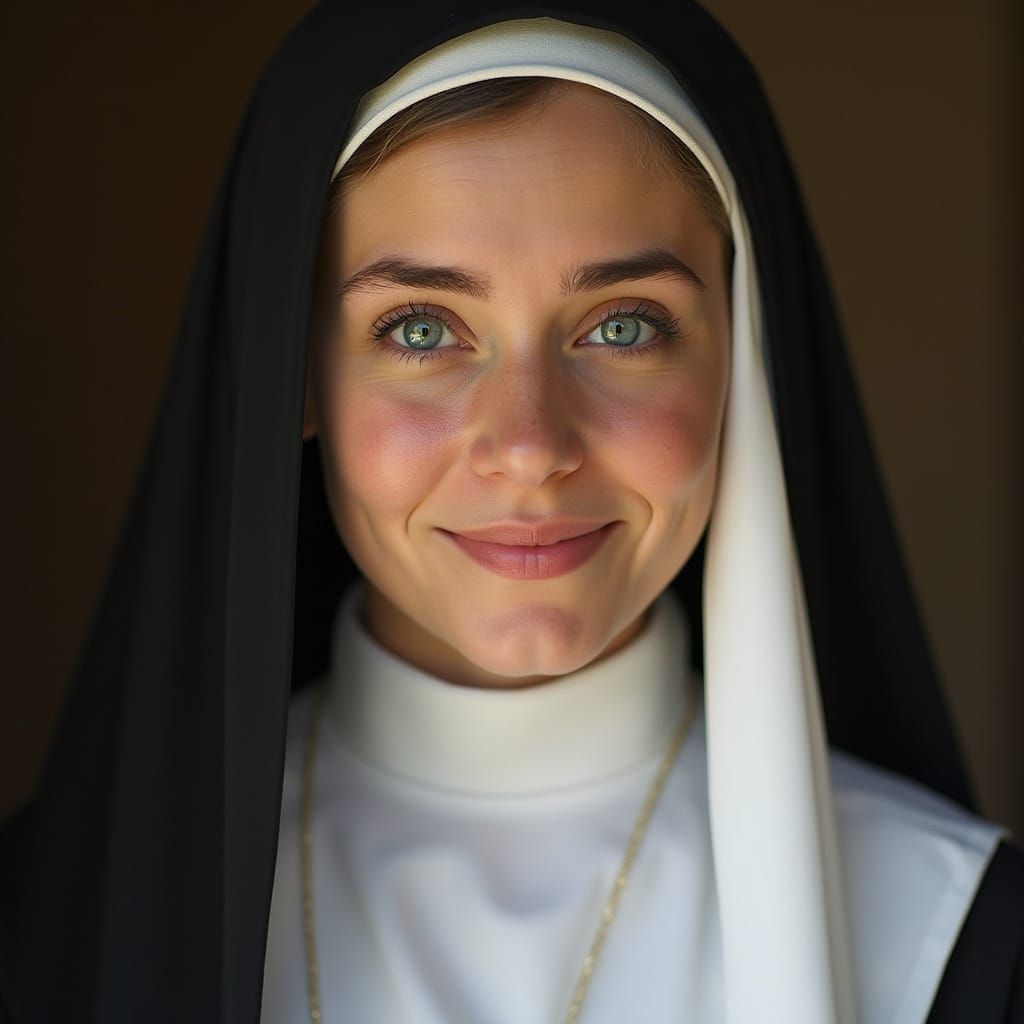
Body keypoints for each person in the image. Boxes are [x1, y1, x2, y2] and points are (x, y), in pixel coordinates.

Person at [0, 3, 1020, 1023]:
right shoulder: (47, 926)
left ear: (743, 360)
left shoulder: (963, 939)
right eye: (419, 329)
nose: (530, 446)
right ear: (294, 377)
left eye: (622, 326)